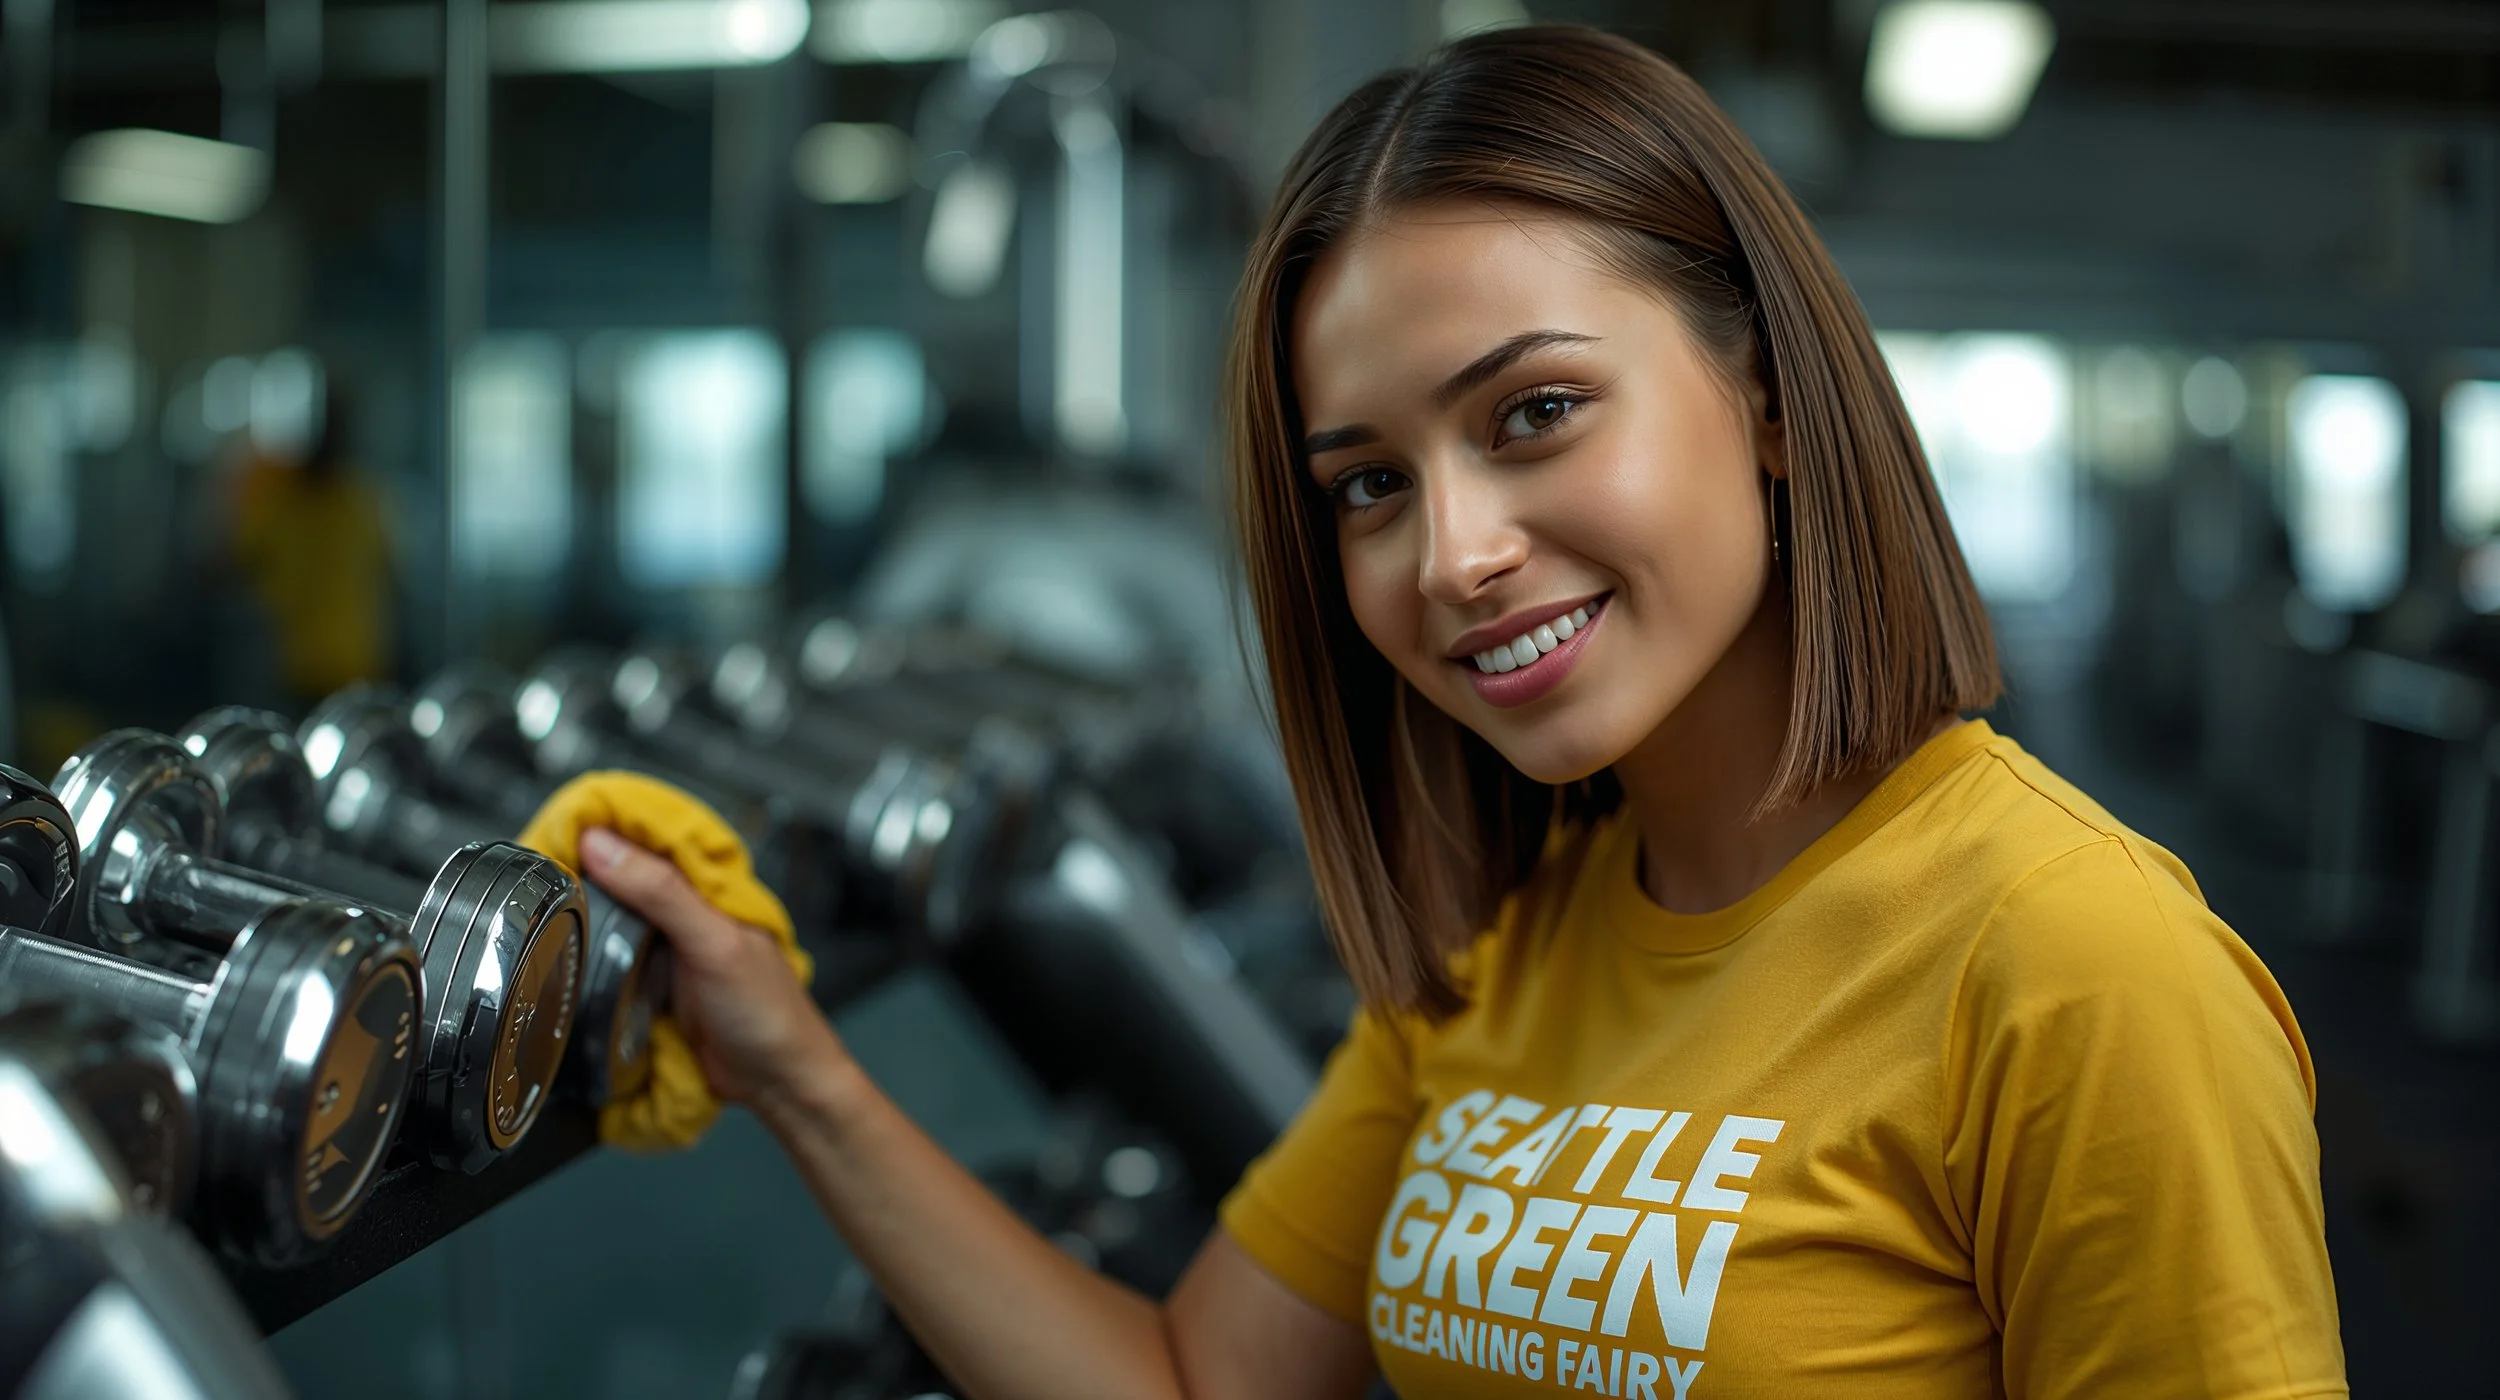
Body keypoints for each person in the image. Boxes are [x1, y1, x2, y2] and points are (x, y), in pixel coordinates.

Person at [579, 26, 2346, 1399]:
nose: (1454, 557)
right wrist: (797, 1071)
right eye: (1368, 487)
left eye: (1534, 414)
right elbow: (1193, 1381)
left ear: (1772, 396)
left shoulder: (2080, 969)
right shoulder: (1510, 953)